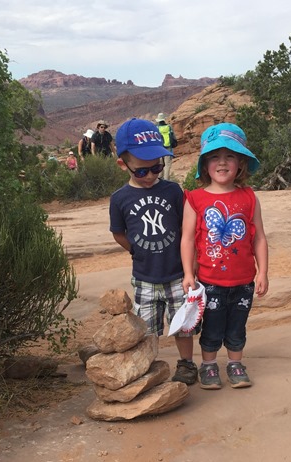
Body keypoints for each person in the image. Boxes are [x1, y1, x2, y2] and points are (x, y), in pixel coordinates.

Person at [109, 117, 199, 385]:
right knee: (147, 328)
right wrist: (135, 250)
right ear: (122, 164)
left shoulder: (173, 191)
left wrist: (191, 266)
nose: (150, 176)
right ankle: (148, 365)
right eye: (141, 171)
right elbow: (118, 232)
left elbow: (187, 229)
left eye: (156, 168)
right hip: (145, 275)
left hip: (176, 273)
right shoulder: (120, 198)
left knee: (183, 323)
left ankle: (186, 364)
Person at [180, 122, 269, 390]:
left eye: (230, 155)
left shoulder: (249, 197)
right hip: (209, 281)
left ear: (240, 163)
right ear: (205, 164)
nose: (222, 162)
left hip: (244, 280)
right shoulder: (195, 198)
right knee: (212, 327)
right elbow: (187, 238)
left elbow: (260, 237)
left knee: (237, 325)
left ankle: (234, 363)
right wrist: (187, 273)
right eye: (215, 157)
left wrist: (263, 271)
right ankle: (208, 366)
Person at [155, 113, 175, 180]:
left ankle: (159, 178)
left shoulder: (156, 128)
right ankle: (166, 179)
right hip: (168, 147)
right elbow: (173, 136)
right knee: (167, 164)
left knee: (160, 163)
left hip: (160, 148)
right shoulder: (169, 127)